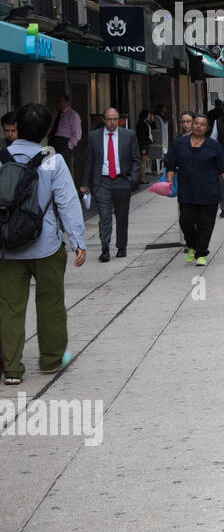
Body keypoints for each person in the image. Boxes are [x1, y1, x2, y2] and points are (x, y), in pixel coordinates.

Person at [0, 103, 87, 386]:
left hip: (7, 247)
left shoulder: (2, 158)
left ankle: (11, 368)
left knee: (9, 308)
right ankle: (51, 359)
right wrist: (78, 242)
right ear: (48, 131)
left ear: (17, 128)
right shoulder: (54, 161)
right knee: (50, 302)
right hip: (46, 244)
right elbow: (68, 203)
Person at [164, 114, 224, 267]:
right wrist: (169, 181)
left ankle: (201, 253)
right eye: (196, 123)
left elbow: (223, 169)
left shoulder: (213, 146)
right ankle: (192, 245)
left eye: (202, 124)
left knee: (205, 224)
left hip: (208, 192)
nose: (198, 126)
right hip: (187, 191)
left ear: (207, 128)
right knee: (186, 222)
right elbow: (171, 164)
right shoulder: (179, 144)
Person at [80, 108, 140, 262]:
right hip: (103, 181)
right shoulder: (94, 136)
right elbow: (89, 161)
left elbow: (136, 159)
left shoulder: (128, 135)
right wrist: (86, 183)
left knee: (121, 216)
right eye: (109, 119)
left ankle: (121, 246)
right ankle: (105, 247)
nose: (112, 122)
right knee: (104, 216)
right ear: (103, 119)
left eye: (115, 119)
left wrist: (132, 180)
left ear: (119, 119)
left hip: (122, 180)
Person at [47, 93, 82, 171]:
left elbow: (77, 134)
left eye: (60, 101)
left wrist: (69, 146)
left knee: (63, 168)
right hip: (52, 140)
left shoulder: (73, 115)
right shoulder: (55, 114)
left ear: (67, 103)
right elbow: (51, 127)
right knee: (49, 166)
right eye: (57, 102)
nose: (58, 104)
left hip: (64, 143)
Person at [136, 107, 155, 178]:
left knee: (144, 162)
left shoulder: (146, 123)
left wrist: (152, 120)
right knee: (143, 163)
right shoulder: (141, 124)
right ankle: (142, 177)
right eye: (149, 115)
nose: (149, 116)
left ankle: (142, 177)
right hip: (143, 145)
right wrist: (143, 147)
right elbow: (141, 137)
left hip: (147, 144)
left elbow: (154, 127)